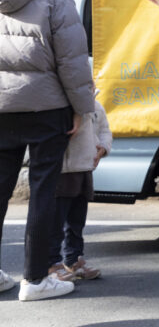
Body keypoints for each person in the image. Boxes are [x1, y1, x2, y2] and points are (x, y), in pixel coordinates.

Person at [0, 0, 93, 301]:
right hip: (48, 110)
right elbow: (73, 64)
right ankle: (36, 279)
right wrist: (81, 109)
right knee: (43, 192)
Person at [47, 84, 111, 283]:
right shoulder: (61, 105)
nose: (89, 87)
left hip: (85, 168)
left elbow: (105, 130)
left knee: (77, 221)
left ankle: (74, 259)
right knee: (56, 222)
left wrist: (103, 148)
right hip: (63, 170)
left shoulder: (96, 106)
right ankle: (52, 263)